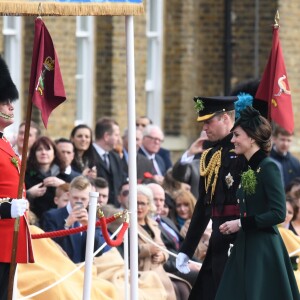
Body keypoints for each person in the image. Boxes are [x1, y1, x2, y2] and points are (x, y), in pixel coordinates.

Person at [215, 106, 299, 300]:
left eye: (236, 135)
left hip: (263, 250)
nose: (233, 139)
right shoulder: (249, 169)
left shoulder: (268, 167)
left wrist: (241, 223)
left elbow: (278, 213)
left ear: (252, 138)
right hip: (246, 245)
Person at [175, 95, 246, 300]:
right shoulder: (209, 155)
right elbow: (204, 206)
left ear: (225, 118)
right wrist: (187, 249)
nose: (204, 128)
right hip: (218, 240)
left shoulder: (245, 150)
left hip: (241, 240)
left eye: (208, 121)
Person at [0, 56, 34, 299]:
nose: (12, 106)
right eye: (5, 101)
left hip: (7, 237)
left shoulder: (5, 142)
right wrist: (5, 208)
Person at [42, 175, 110, 263]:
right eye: (75, 198)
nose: (79, 202)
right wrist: (66, 225)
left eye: (83, 199)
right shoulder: (52, 216)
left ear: (89, 199)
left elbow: (99, 251)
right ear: (68, 195)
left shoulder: (94, 220)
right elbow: (48, 246)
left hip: (84, 271)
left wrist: (89, 228)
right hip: (60, 269)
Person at [25, 136, 68, 222]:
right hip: (33, 222)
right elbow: (15, 199)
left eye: (47, 149)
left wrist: (63, 185)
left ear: (54, 153)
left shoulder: (64, 175)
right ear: (34, 154)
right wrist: (29, 194)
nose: (43, 152)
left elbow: (77, 196)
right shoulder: (25, 176)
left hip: (59, 223)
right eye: (39, 150)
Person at [93, 117, 127, 206]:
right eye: (116, 135)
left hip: (114, 211)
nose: (119, 139)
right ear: (106, 136)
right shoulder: (88, 155)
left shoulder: (115, 157)